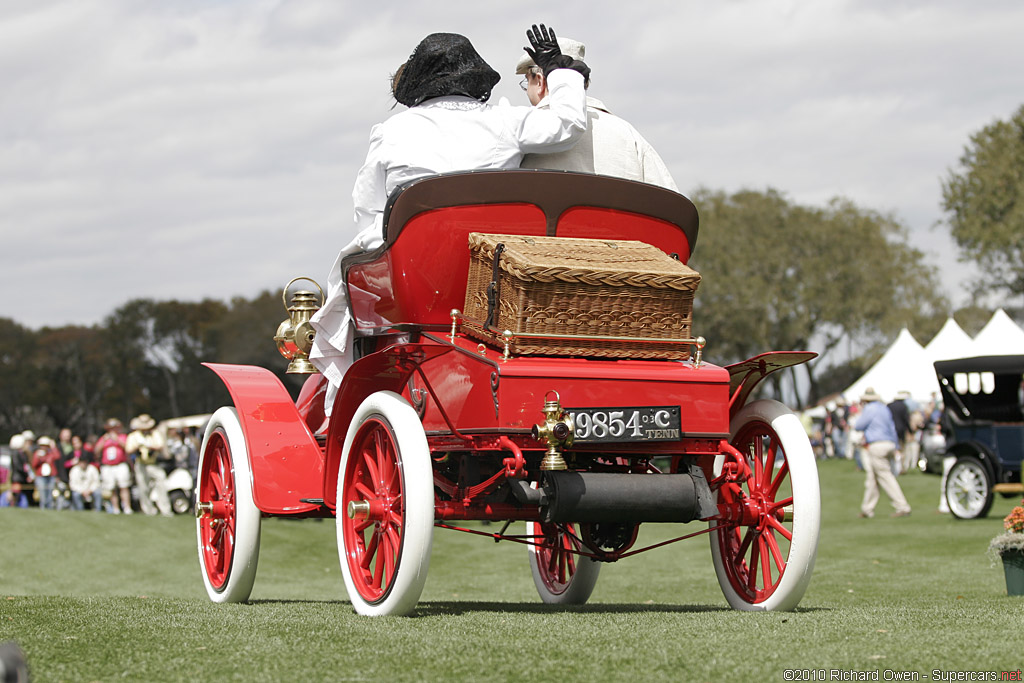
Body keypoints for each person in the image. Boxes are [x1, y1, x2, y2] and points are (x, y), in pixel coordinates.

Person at [309, 25, 590, 417]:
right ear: (474, 77)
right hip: (490, 275)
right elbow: (568, 124)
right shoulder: (503, 121)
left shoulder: (391, 131)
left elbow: (368, 211)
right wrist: (560, 72)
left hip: (415, 280)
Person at [515, 36, 677, 191]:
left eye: (526, 82)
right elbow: (669, 203)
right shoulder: (629, 135)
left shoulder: (521, 131)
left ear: (540, 80)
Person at [855, 388, 912, 518]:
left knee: (885, 476)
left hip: (877, 445)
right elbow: (892, 427)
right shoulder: (884, 408)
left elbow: (859, 425)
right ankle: (867, 509)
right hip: (889, 443)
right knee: (872, 478)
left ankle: (902, 506)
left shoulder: (869, 409)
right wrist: (896, 445)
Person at [126, 414, 172, 516]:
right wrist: (138, 447)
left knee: (161, 484)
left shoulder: (155, 434)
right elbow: (128, 449)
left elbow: (160, 445)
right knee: (143, 488)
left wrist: (149, 446)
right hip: (141, 464)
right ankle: (148, 510)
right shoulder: (134, 436)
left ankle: (165, 509)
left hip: (153, 463)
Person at [94, 418, 132, 514]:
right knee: (111, 488)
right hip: (108, 466)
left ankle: (127, 507)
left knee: (124, 486)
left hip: (120, 464)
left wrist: (117, 440)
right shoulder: (104, 438)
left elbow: (127, 448)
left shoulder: (122, 437)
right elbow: (96, 451)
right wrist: (104, 441)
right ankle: (115, 508)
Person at [30, 440, 62, 510]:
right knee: (43, 494)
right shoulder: (37, 454)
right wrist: (38, 458)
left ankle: (49, 509)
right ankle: (43, 508)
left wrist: (53, 447)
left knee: (50, 494)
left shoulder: (50, 454)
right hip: (40, 476)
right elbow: (34, 465)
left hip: (50, 476)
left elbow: (58, 456)